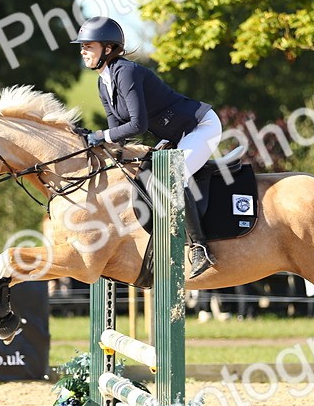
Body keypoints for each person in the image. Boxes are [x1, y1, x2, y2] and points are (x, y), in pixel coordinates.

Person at [71, 16, 223, 278]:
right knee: (145, 180)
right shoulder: (103, 82)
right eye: (82, 46)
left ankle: (200, 249)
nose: (82, 50)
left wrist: (101, 134)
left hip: (201, 126)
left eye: (88, 46)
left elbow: (137, 125)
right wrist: (87, 139)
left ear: (107, 48)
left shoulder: (125, 72)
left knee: (171, 179)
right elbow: (116, 133)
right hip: (176, 133)